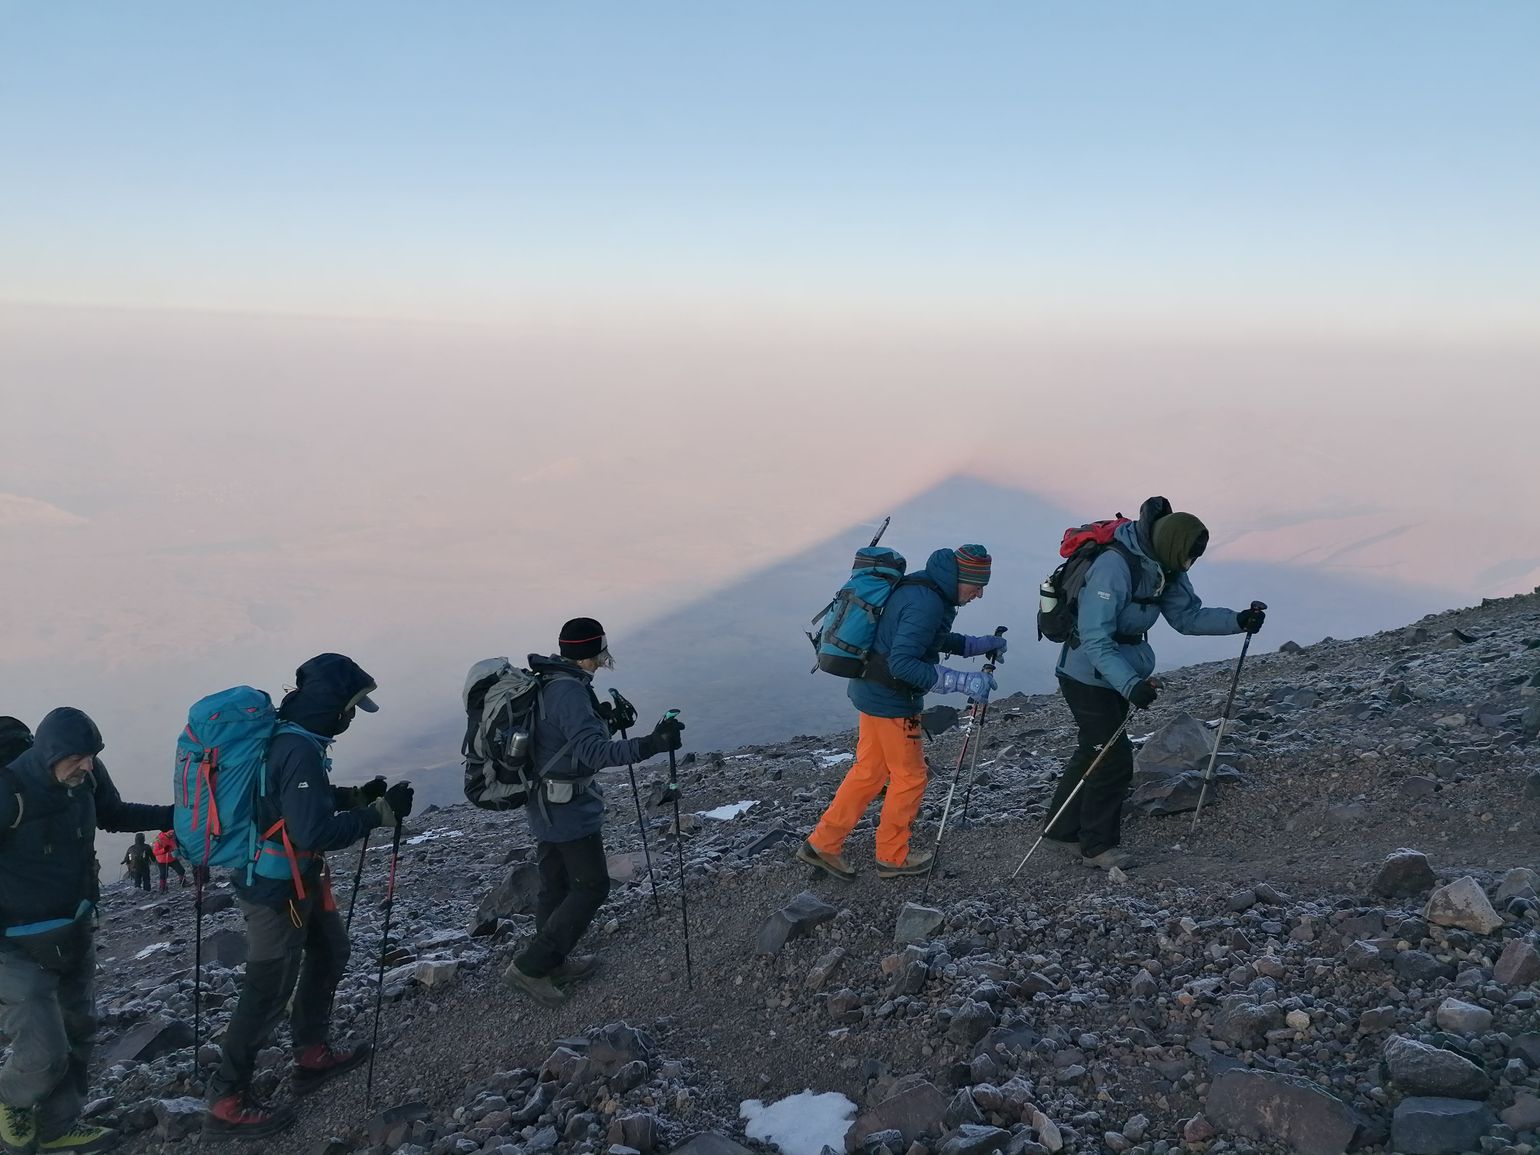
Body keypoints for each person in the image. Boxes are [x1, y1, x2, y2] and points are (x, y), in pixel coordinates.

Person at [203, 654, 412, 1138]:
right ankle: (226, 1099)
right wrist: (377, 814)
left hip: (298, 878)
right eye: (352, 706)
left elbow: (292, 800)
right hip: (275, 888)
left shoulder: (300, 740)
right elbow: (313, 828)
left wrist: (352, 797)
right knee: (269, 988)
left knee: (330, 950)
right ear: (332, 704)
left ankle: (312, 1054)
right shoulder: (297, 746)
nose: (353, 716)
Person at [1044, 497, 1265, 869]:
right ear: (1174, 544)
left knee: (1093, 749)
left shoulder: (1165, 562)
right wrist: (1130, 684)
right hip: (1084, 673)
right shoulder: (1114, 567)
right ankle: (1097, 847)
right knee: (1112, 758)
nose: (1189, 564)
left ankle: (1059, 831)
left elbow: (1186, 616)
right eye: (1189, 557)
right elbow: (1095, 638)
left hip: (1117, 671)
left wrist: (1237, 621)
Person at [0, 707, 172, 1155]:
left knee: (79, 1033)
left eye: (93, 756)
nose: (88, 766)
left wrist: (174, 815)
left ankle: (57, 1127)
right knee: (44, 1052)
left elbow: (114, 813)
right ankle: (10, 1101)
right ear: (51, 753)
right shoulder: (8, 790)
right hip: (13, 944)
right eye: (79, 757)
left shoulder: (87, 780)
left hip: (74, 929)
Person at [500, 618, 684, 1008]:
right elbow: (595, 754)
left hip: (545, 803)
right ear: (591, 652)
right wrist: (652, 743)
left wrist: (606, 721)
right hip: (567, 809)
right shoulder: (569, 692)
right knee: (592, 886)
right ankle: (532, 966)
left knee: (557, 886)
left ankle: (552, 962)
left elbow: (563, 738)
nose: (603, 660)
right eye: (601, 652)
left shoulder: (551, 679)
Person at [798, 544, 1004, 881]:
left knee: (869, 772)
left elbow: (927, 639)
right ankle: (893, 856)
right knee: (911, 776)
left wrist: (977, 645)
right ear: (960, 578)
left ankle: (823, 843)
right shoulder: (927, 601)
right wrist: (962, 682)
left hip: (871, 691)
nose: (978, 594)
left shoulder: (925, 588)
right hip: (893, 701)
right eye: (976, 586)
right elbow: (904, 663)